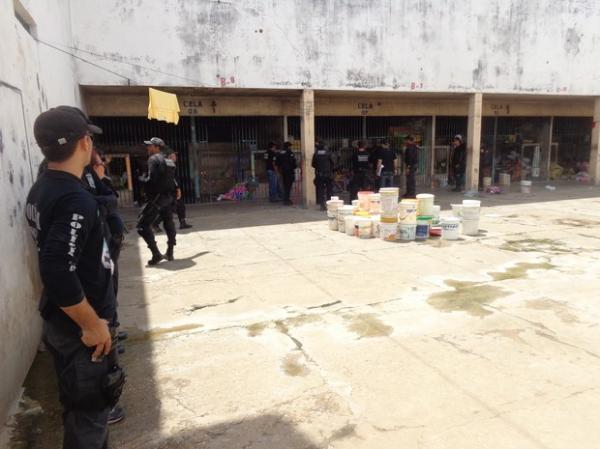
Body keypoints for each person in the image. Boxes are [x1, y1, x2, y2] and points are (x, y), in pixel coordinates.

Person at [26, 106, 125, 449]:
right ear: (84, 142)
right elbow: (55, 267)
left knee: (82, 409)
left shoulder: (42, 189)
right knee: (89, 415)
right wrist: (91, 323)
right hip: (81, 328)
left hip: (63, 320)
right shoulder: (74, 198)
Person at [137, 137, 178, 265]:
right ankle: (170, 252)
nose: (148, 148)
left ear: (157, 147)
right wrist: (177, 189)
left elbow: (152, 180)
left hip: (155, 198)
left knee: (141, 226)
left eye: (150, 146)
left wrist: (141, 180)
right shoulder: (169, 161)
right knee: (168, 223)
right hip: (168, 198)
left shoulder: (153, 159)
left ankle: (156, 254)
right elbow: (172, 180)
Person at [312, 140, 335, 210]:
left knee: (320, 190)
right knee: (329, 190)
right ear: (324, 147)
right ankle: (329, 205)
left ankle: (322, 205)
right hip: (328, 175)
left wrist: (319, 167)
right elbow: (333, 163)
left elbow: (313, 164)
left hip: (319, 174)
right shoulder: (328, 153)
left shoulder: (315, 154)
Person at [275, 141, 297, 206]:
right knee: (288, 186)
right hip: (289, 172)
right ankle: (286, 200)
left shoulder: (280, 153)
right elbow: (293, 163)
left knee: (285, 186)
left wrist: (279, 170)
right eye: (290, 146)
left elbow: (277, 163)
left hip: (282, 172)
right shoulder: (290, 153)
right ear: (288, 147)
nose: (291, 147)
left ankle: (286, 199)